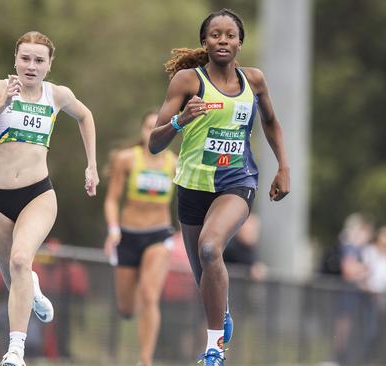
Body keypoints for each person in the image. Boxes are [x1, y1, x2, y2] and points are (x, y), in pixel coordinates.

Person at [148, 8, 290, 365]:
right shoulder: (186, 82)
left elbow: (272, 123)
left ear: (240, 42)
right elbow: (153, 142)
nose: (222, 41)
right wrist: (181, 121)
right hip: (192, 187)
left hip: (236, 183)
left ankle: (213, 349)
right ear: (205, 42)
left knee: (211, 249)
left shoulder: (254, 80)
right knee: (203, 277)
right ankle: (221, 312)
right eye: (215, 35)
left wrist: (283, 167)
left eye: (230, 35)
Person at [0, 31, 99, 366]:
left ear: (49, 64)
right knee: (14, 278)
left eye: (39, 60)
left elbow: (85, 116)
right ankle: (34, 289)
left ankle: (15, 351)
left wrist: (92, 166)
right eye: (25, 58)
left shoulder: (57, 95)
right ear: (15, 59)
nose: (31, 65)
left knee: (21, 260)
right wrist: (1, 104)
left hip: (37, 194)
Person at [103, 110, 177, 366]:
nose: (152, 132)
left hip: (159, 234)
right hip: (128, 235)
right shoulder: (126, 160)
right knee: (127, 309)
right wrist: (113, 230)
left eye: (159, 127)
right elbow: (112, 200)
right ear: (142, 131)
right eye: (148, 127)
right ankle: (135, 312)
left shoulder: (175, 163)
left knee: (149, 294)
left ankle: (145, 360)